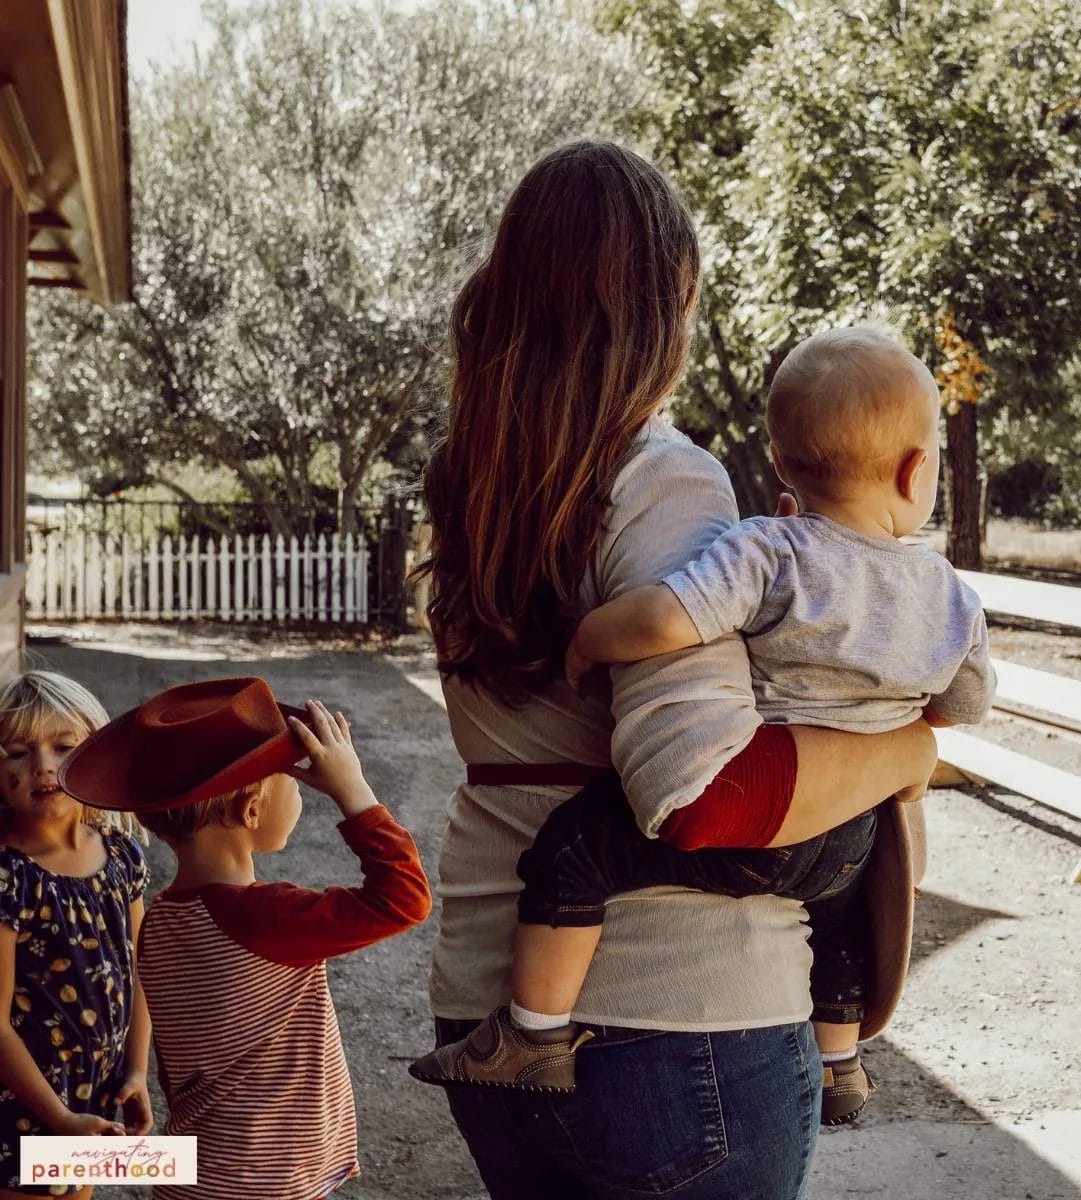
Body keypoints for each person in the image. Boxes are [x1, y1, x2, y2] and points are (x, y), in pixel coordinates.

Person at [418, 140, 940, 1199]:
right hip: (677, 1017)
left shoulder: (474, 484)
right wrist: (908, 746)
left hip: (490, 988)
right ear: (669, 300)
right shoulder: (664, 480)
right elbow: (694, 786)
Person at [414, 327, 994, 1127]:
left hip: (761, 823)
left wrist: (591, 638)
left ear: (783, 463)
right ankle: (840, 1062)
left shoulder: (771, 551)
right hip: (859, 834)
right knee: (835, 925)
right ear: (915, 469)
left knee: (576, 853)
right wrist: (894, 723)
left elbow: (668, 618)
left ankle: (534, 1033)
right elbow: (962, 704)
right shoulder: (952, 594)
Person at [58, 678, 432, 1200]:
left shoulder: (162, 921)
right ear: (251, 811)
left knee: (51, 1161)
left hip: (199, 1170)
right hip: (263, 1179)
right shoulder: (264, 916)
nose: (304, 791)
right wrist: (354, 791)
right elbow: (405, 899)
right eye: (294, 782)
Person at [0, 672, 151, 1200]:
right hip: (20, 1108)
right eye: (17, 751)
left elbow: (141, 970)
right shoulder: (7, 877)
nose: (41, 764)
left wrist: (135, 1071)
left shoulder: (121, 855)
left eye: (63, 746)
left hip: (93, 1094)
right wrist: (58, 1118)